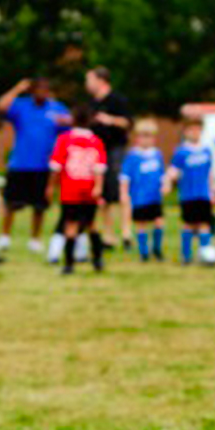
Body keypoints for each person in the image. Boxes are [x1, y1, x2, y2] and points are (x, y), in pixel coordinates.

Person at [0, 77, 70, 253]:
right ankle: (5, 237)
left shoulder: (56, 108)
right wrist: (18, 88)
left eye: (45, 90)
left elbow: (72, 125)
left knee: (39, 206)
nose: (42, 93)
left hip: (43, 165)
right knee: (11, 204)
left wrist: (67, 122)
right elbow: (0, 106)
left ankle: (35, 239)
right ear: (32, 91)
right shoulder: (21, 105)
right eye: (38, 89)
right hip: (20, 164)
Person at [47, 105, 108, 275]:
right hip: (89, 189)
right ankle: (98, 260)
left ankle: (69, 264)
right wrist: (98, 187)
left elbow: (56, 166)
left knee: (70, 225)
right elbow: (99, 168)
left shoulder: (65, 139)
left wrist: (51, 186)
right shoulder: (96, 141)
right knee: (92, 225)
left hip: (70, 190)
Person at [85, 66, 134, 250]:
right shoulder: (91, 103)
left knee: (121, 192)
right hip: (97, 152)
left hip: (115, 150)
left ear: (101, 80)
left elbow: (128, 123)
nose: (87, 84)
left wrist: (110, 120)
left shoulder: (117, 100)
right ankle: (108, 236)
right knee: (102, 195)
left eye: (89, 80)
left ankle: (126, 232)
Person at [167, 118, 215, 265]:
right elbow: (173, 170)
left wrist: (212, 192)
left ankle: (205, 256)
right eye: (191, 130)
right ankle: (186, 256)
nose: (195, 133)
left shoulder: (206, 150)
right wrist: (168, 181)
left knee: (204, 225)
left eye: (197, 129)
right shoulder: (181, 151)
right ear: (186, 132)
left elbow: (210, 173)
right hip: (188, 195)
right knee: (188, 224)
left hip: (204, 194)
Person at [120, 120, 168, 263]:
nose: (146, 140)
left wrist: (165, 184)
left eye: (149, 136)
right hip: (139, 197)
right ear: (137, 138)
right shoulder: (133, 156)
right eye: (143, 136)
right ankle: (144, 252)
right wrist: (124, 193)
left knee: (159, 222)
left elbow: (162, 174)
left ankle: (157, 250)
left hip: (154, 197)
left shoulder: (157, 154)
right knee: (141, 224)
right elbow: (125, 177)